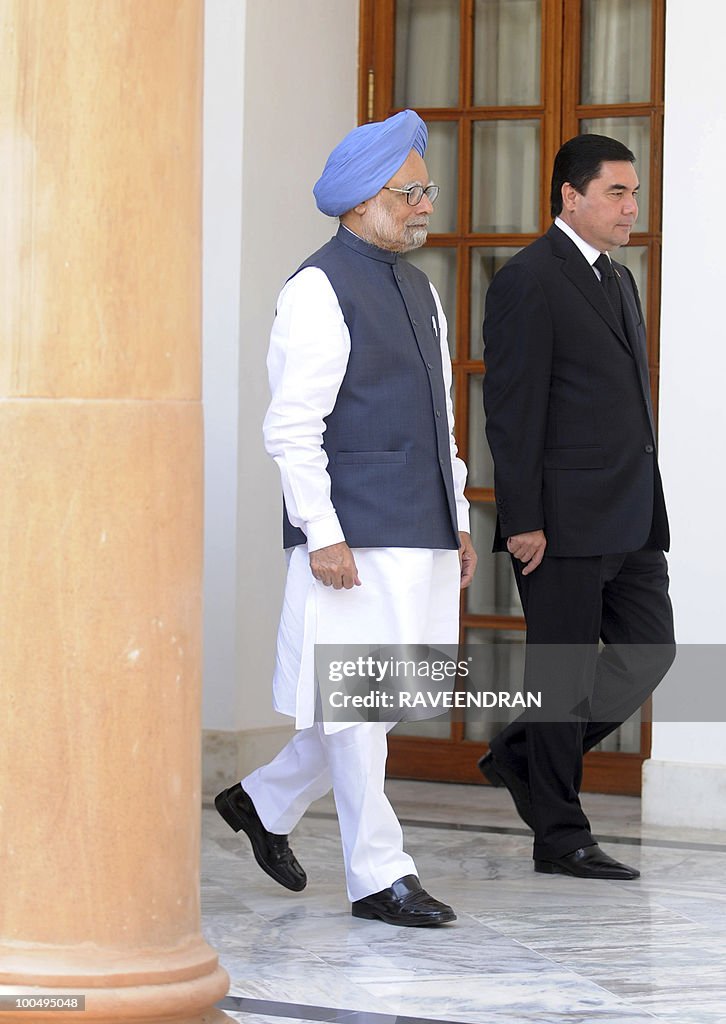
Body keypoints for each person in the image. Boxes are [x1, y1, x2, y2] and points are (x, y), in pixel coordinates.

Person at [215, 110, 477, 926]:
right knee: (359, 709)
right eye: (411, 192)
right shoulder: (317, 288)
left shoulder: (420, 286)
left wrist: (458, 514)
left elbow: (442, 417)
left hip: (422, 530)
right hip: (356, 538)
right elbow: (292, 427)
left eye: (426, 189)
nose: (425, 204)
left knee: (381, 697)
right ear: (361, 202)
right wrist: (322, 533)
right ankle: (380, 875)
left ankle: (261, 800)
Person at [479, 134, 675, 880]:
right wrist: (521, 516)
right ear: (571, 195)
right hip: (558, 520)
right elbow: (512, 406)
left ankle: (523, 754)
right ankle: (560, 836)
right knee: (559, 676)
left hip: (629, 513)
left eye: (634, 193)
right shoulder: (529, 279)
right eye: (617, 193)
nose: (631, 206)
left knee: (652, 650)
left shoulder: (618, 279)